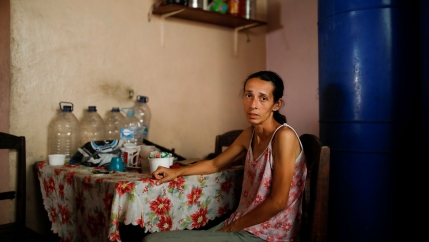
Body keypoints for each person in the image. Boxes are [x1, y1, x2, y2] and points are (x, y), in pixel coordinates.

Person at [144, 70, 306, 242]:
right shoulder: (250, 134)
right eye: (248, 95)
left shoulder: (284, 136)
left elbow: (278, 202)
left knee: (152, 241)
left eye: (263, 98)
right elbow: (215, 164)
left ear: (276, 104)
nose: (253, 105)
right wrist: (176, 172)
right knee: (152, 238)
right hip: (242, 222)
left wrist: (231, 228)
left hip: (268, 234)